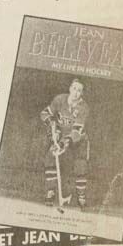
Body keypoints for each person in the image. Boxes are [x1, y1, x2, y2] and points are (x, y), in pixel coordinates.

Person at [40, 78, 90, 209]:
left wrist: (63, 144)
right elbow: (44, 113)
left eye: (79, 90)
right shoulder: (60, 99)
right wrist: (52, 124)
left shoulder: (84, 108)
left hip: (78, 141)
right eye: (74, 88)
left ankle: (81, 197)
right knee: (50, 157)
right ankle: (51, 192)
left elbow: (76, 132)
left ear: (82, 93)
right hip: (61, 137)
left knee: (80, 166)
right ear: (70, 88)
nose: (76, 92)